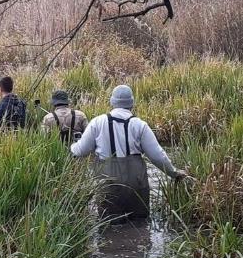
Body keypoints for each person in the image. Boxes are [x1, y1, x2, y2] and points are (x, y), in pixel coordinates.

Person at [70, 84, 187, 220]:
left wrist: (71, 146)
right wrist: (174, 173)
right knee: (140, 224)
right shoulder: (140, 125)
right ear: (132, 103)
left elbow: (79, 151)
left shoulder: (97, 122)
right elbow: (157, 156)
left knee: (108, 227)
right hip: (136, 184)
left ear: (112, 102)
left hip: (108, 184)